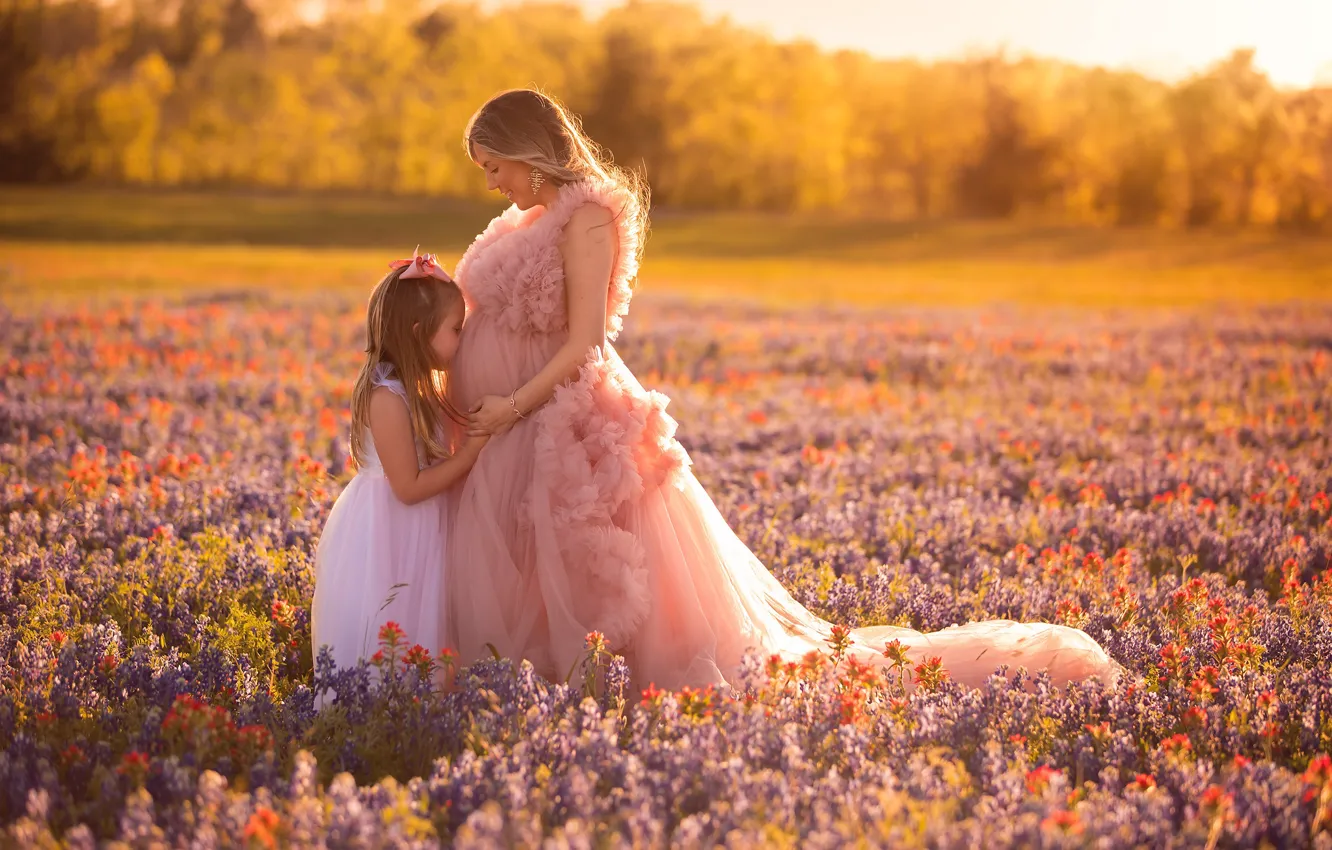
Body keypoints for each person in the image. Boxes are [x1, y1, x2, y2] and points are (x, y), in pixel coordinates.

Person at [445, 88, 1122, 692]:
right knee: (527, 562)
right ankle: (528, 681)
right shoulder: (526, 217)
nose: (491, 183)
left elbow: (584, 341)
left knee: (597, 566)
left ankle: (592, 680)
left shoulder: (586, 215)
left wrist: (511, 401)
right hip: (513, 424)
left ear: (527, 151)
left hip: (560, 414)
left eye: (493, 167)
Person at [312, 251, 487, 686]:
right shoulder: (388, 396)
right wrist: (468, 456)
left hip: (421, 523)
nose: (462, 341)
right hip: (392, 528)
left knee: (429, 624)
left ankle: (421, 718)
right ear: (418, 333)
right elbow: (407, 487)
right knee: (397, 623)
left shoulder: (420, 384)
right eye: (455, 330)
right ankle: (388, 720)